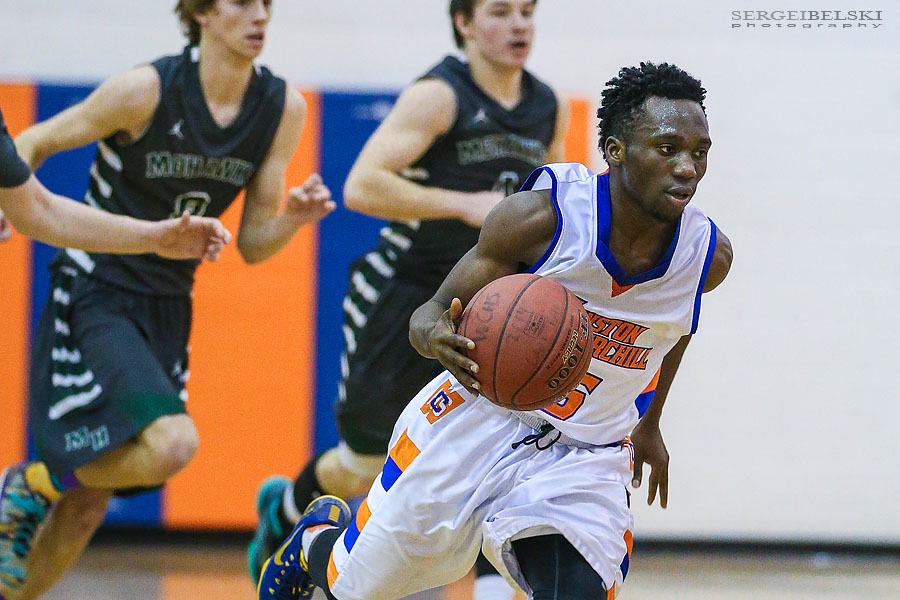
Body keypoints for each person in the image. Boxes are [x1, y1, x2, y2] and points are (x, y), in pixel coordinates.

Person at [258, 61, 733, 600]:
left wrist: (650, 422)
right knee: (352, 585)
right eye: (667, 149)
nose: (687, 168)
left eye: (699, 152)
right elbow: (428, 315)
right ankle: (313, 541)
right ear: (615, 150)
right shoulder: (541, 220)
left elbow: (673, 331)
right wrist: (436, 338)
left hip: (585, 450)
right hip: (480, 418)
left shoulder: (706, 258)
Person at [0, 1, 334, 599]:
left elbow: (253, 244)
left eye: (266, 3)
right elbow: (36, 139)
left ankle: (30, 529)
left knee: (87, 506)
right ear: (201, 12)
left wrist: (293, 218)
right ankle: (36, 481)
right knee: (174, 444)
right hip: (96, 292)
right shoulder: (144, 91)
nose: (259, 15)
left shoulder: (282, 107)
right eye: (242, 2)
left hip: (169, 304)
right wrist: (10, 205)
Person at [248, 1, 566, 597]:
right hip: (407, 290)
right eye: (501, 12)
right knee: (365, 461)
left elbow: (552, 202)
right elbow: (361, 184)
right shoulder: (439, 96)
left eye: (527, 11)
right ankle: (285, 511)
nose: (519, 24)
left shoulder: (548, 104)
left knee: (490, 447)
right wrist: (464, 204)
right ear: (464, 23)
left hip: (489, 305)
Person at [0, 106, 230, 259]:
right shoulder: (143, 88)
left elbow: (40, 211)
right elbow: (35, 142)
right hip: (100, 285)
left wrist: (157, 238)